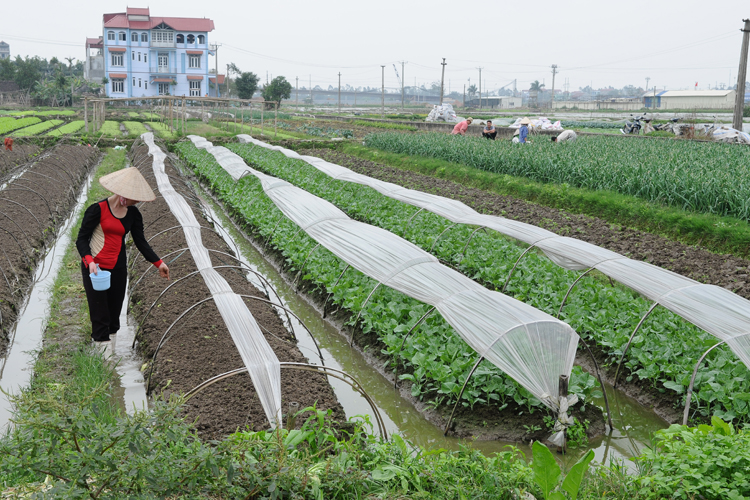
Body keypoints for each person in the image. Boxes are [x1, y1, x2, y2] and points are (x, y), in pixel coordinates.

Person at [76, 167, 170, 343]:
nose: (136, 202)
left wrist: (159, 263)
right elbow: (81, 239)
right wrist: (89, 261)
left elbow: (141, 242)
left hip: (117, 268)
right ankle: (101, 362)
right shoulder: (97, 210)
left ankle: (111, 358)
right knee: (100, 314)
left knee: (113, 314)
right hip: (95, 268)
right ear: (123, 194)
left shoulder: (134, 214)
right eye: (134, 198)